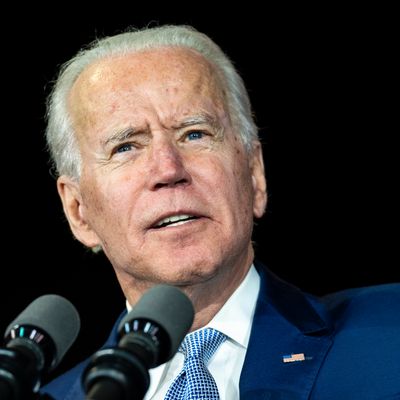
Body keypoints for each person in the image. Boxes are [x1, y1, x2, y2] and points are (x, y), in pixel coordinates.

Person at [40, 24, 399, 400]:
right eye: (126, 147)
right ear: (78, 210)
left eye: (195, 134)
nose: (168, 169)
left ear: (254, 174)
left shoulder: (391, 334)